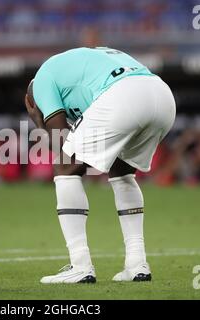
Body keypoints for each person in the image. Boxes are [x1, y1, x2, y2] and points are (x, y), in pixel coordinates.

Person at [25, 47, 176, 284]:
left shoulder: (43, 79)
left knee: (65, 167)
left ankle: (80, 265)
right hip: (162, 96)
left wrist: (39, 123)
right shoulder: (78, 72)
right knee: (122, 172)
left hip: (124, 95)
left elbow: (61, 144)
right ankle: (137, 264)